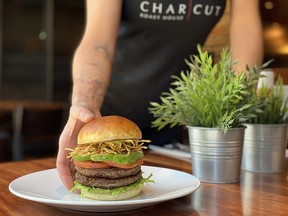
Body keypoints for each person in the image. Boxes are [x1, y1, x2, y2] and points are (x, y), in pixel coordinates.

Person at [57, 0, 263, 190]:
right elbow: (97, 41)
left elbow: (245, 25)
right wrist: (86, 104)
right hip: (104, 118)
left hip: (171, 122)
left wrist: (234, 112)